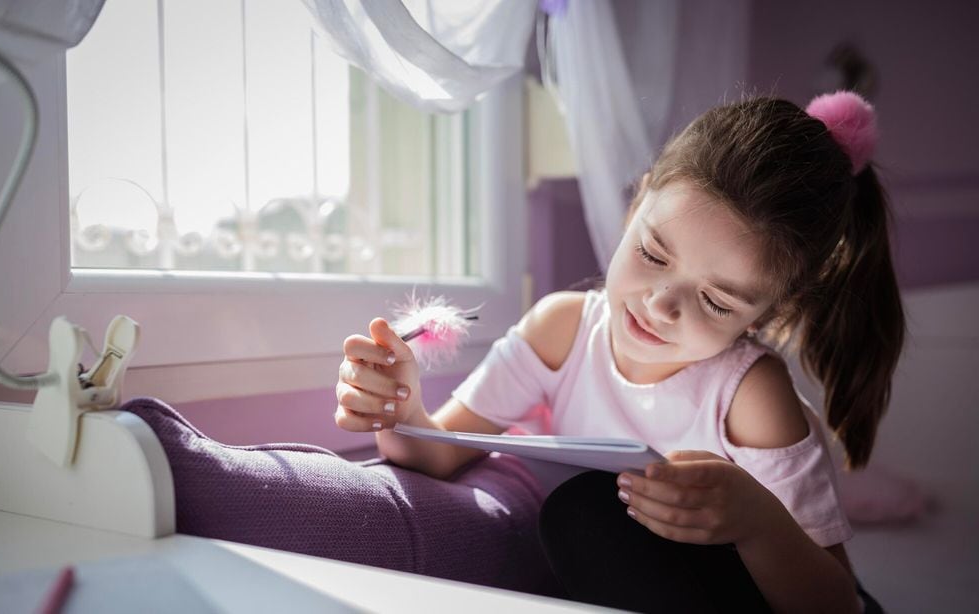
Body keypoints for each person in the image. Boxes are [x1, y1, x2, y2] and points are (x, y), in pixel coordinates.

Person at [335, 91, 902, 613]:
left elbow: (837, 603)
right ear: (636, 208)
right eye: (653, 255)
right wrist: (396, 408)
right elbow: (437, 454)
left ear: (766, 316)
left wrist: (755, 521)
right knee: (587, 517)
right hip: (617, 563)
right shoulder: (563, 330)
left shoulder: (750, 397)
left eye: (716, 301)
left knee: (590, 514)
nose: (661, 305)